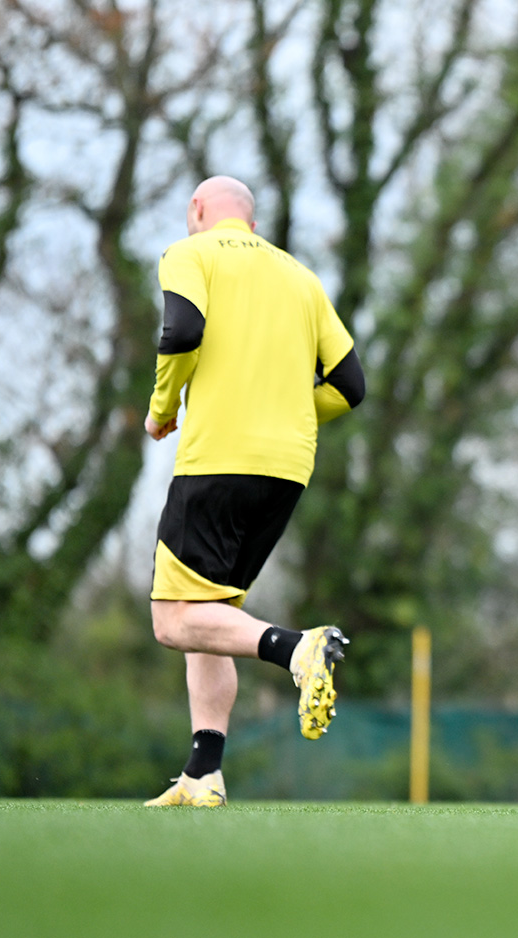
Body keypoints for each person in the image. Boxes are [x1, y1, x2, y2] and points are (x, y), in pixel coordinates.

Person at [142, 176, 365, 806]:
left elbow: (181, 333)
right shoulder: (300, 276)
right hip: (288, 467)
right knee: (211, 615)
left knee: (171, 620)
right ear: (255, 223)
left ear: (197, 211)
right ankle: (203, 772)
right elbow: (350, 385)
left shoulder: (190, 253)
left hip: (219, 458)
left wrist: (162, 408)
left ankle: (297, 649)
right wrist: (289, 407)